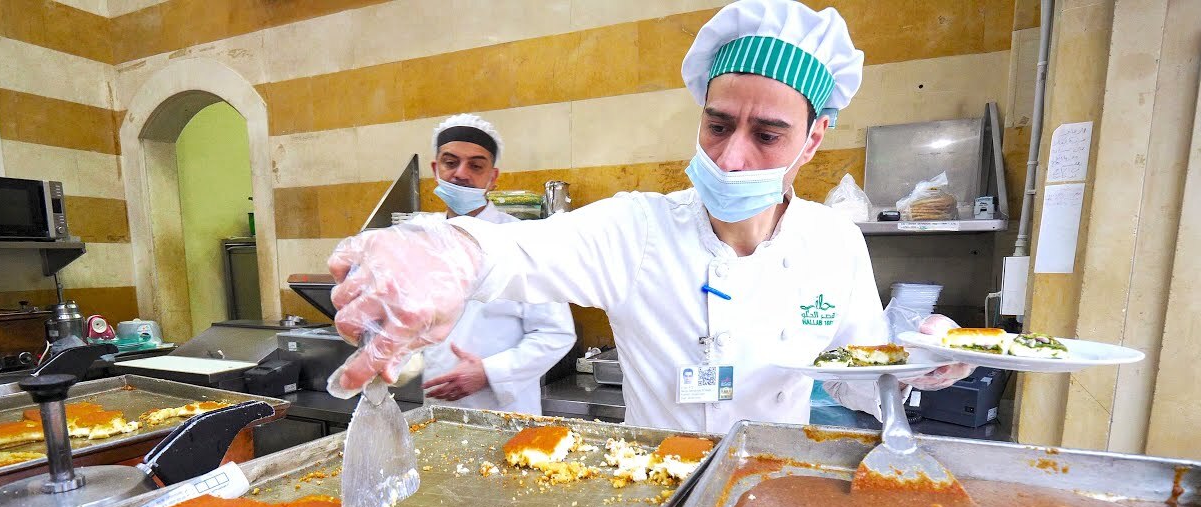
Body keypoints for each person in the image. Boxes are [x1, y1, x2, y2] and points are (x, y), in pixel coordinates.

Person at [326, 0, 971, 433]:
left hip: (771, 488)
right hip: (656, 495)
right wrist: (444, 249)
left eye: (767, 136)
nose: (731, 157)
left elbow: (858, 379)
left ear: (813, 139)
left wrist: (916, 363)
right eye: (718, 126)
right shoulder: (637, 230)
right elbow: (513, 254)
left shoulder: (833, 244)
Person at [416, 114, 576, 415]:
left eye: (476, 165)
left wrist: (488, 372)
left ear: (493, 177)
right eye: (450, 163)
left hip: (505, 414)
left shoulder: (524, 241)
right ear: (436, 169)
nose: (461, 174)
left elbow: (557, 333)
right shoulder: (422, 240)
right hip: (436, 414)